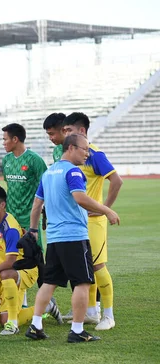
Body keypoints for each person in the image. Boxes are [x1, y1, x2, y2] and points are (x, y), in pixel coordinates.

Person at [26, 134, 120, 343]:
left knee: (49, 282)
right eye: (84, 149)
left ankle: (36, 325)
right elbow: (80, 197)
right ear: (70, 148)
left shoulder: (49, 173)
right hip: (74, 236)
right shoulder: (73, 171)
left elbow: (36, 205)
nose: (87, 153)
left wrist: (33, 230)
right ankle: (77, 330)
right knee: (83, 282)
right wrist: (107, 210)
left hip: (54, 237)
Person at [63, 112, 123, 331]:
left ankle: (109, 315)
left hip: (93, 221)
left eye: (69, 130)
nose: (66, 133)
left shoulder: (94, 155)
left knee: (98, 266)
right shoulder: (69, 158)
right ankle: (90, 311)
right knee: (83, 266)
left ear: (82, 131)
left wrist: (105, 209)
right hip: (75, 221)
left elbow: (116, 181)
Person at [0, 186, 42, 335]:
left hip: (24, 270)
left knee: (5, 320)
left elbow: (11, 263)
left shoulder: (9, 228)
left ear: (2, 205)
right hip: (5, 270)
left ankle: (17, 321)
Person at [0, 124, 47, 230]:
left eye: (5, 139)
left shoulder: (35, 159)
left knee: (34, 246)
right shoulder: (6, 160)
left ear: (15, 139)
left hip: (30, 217)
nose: (3, 143)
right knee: (12, 246)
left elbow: (47, 185)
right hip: (10, 217)